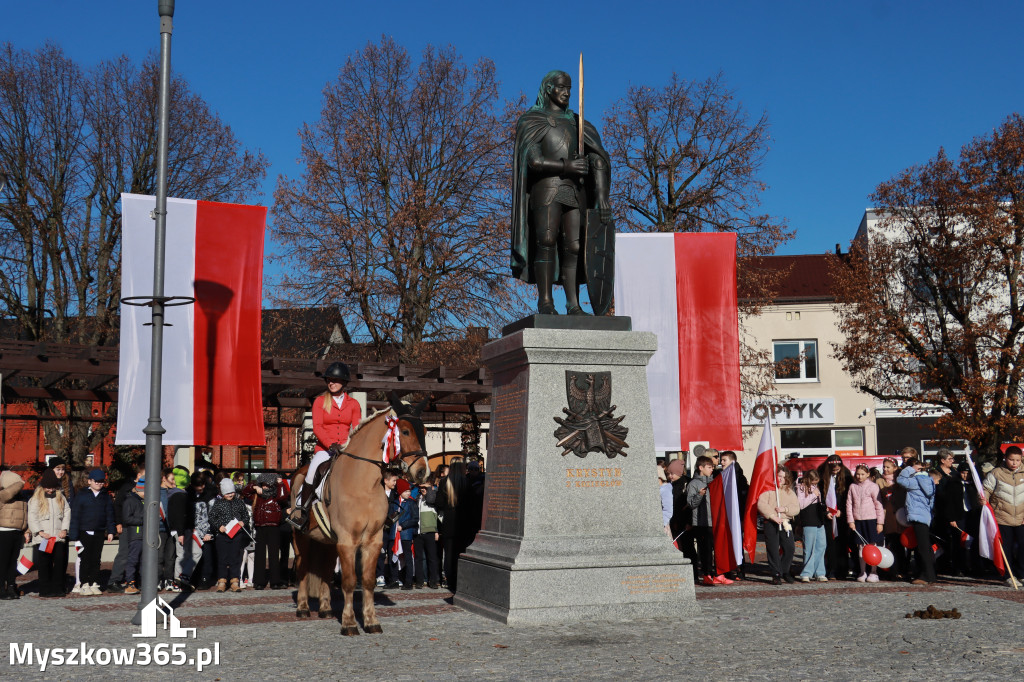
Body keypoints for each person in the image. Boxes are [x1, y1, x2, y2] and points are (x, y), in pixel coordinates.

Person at [511, 70, 613, 315]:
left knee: (574, 247)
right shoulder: (532, 120)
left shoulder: (579, 124)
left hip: (576, 192)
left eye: (569, 87)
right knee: (546, 241)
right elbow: (533, 161)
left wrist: (600, 195)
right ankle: (545, 302)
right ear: (548, 89)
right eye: (561, 87)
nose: (566, 92)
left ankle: (573, 304)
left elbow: (598, 158)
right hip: (546, 189)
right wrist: (566, 166)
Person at [288, 362, 361, 530]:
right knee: (311, 472)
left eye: (335, 380)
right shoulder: (320, 401)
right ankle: (302, 512)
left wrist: (350, 446)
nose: (331, 383)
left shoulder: (354, 404)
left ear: (343, 382)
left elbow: (356, 429)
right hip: (325, 450)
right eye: (329, 380)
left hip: (345, 449)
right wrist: (331, 445)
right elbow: (317, 427)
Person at [68, 469, 115, 595]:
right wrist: (74, 535)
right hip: (84, 532)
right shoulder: (82, 495)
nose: (99, 484)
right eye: (97, 481)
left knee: (96, 558)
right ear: (90, 481)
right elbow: (76, 516)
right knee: (85, 558)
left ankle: (94, 582)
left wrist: (111, 531)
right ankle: (84, 583)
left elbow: (110, 514)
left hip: (99, 532)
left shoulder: (105, 496)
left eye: (102, 482)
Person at [983, 446, 1024, 585]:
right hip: (1002, 517)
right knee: (1006, 548)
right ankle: (1009, 575)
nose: (1014, 463)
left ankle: (1022, 573)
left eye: (1017, 460)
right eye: (1011, 459)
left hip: (1021, 517)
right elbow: (985, 490)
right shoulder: (996, 473)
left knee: (1023, 546)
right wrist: (983, 500)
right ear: (1005, 458)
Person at [28, 469, 71, 597]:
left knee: (59, 562)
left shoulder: (60, 496)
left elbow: (67, 513)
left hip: (58, 536)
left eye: (53, 488)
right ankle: (45, 589)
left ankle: (57, 588)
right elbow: (32, 516)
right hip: (45, 538)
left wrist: (64, 529)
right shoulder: (36, 498)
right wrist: (39, 532)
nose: (50, 490)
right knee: (44, 563)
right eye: (48, 488)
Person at [687, 456, 728, 586]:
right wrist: (699, 495)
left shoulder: (714, 482)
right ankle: (706, 574)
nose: (712, 469)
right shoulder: (693, 484)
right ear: (701, 468)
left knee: (718, 549)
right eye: (709, 467)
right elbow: (691, 504)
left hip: (714, 521)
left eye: (712, 467)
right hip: (701, 523)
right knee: (705, 550)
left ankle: (718, 573)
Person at [243, 472, 288, 590]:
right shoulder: (257, 496)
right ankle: (259, 581)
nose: (264, 487)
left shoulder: (275, 495)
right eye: (263, 485)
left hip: (273, 526)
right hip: (260, 526)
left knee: (274, 555)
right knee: (260, 555)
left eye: (267, 485)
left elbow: (283, 496)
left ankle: (275, 581)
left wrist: (280, 484)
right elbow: (245, 492)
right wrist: (254, 486)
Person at [897, 457, 939, 585]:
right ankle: (930, 574)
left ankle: (926, 575)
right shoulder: (929, 480)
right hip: (925, 516)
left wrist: (910, 468)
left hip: (917, 515)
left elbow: (900, 479)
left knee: (922, 547)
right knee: (925, 546)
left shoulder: (915, 481)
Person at [209, 477, 251, 593]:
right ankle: (222, 581)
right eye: (227, 493)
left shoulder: (239, 502)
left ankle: (234, 581)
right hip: (222, 535)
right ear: (223, 493)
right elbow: (212, 517)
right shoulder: (218, 503)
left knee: (235, 558)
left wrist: (243, 522)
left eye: (232, 492)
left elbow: (245, 516)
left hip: (236, 534)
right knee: (222, 558)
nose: (230, 495)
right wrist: (219, 526)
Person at [758, 466, 799, 584]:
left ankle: (785, 571)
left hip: (785, 522)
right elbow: (762, 504)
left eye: (784, 477)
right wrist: (772, 516)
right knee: (773, 549)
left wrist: (785, 509)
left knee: (790, 548)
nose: (781, 479)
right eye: (779, 476)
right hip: (771, 522)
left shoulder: (789, 492)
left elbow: (796, 508)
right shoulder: (768, 490)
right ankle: (776, 573)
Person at [107, 462, 144, 593]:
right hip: (126, 526)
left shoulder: (147, 489)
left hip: (139, 527)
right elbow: (117, 505)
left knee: (137, 554)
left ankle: (133, 579)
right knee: (124, 553)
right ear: (139, 475)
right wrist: (118, 523)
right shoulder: (127, 487)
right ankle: (114, 580)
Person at [846, 464, 885, 582]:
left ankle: (874, 571)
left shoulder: (873, 486)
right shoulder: (852, 486)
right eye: (857, 474)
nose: (859, 476)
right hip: (858, 521)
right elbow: (849, 504)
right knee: (861, 547)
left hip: (871, 520)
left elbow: (878, 504)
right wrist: (851, 520)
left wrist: (880, 522)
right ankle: (862, 572)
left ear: (868, 474)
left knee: (873, 545)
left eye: (862, 474)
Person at [818, 455, 854, 579]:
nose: (835, 470)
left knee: (842, 542)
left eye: (838, 468)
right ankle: (831, 568)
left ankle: (843, 569)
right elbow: (819, 497)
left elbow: (848, 496)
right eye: (833, 469)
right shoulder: (822, 476)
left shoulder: (847, 476)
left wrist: (842, 511)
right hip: (827, 515)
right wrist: (825, 510)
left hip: (841, 515)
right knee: (830, 543)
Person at [932, 448, 965, 576]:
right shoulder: (935, 473)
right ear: (942, 460)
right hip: (941, 512)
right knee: (943, 540)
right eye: (950, 459)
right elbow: (940, 494)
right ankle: (942, 565)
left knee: (957, 541)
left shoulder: (955, 473)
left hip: (957, 511)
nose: (953, 461)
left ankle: (957, 566)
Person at [877, 457, 909, 580]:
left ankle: (901, 569)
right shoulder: (879, 481)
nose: (885, 469)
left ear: (895, 468)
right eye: (884, 466)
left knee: (899, 545)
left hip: (899, 518)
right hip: (887, 517)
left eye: (888, 467)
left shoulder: (899, 482)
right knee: (889, 544)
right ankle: (891, 570)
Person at [0, 466, 28, 600]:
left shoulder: (21, 498)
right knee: (2, 561)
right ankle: (1, 588)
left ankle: (11, 586)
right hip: (4, 532)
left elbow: (25, 515)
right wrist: (17, 483)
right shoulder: (3, 495)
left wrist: (26, 530)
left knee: (12, 562)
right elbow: (7, 494)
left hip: (17, 532)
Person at [797, 470, 827, 582]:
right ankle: (806, 572)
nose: (815, 485)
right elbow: (801, 505)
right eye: (813, 482)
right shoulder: (800, 488)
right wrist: (812, 496)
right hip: (808, 519)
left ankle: (819, 572)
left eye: (816, 483)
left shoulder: (817, 488)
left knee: (821, 546)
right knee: (809, 547)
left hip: (819, 519)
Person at [121, 475, 146, 595]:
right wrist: (144, 519)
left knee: (142, 560)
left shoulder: (144, 501)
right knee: (133, 559)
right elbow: (127, 519)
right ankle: (130, 582)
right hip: (136, 535)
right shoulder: (130, 501)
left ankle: (139, 582)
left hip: (144, 535)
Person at [414, 477, 441, 589]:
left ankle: (433, 581)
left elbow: (431, 500)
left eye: (426, 487)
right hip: (418, 532)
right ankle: (420, 581)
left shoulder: (433, 496)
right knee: (419, 558)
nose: (423, 489)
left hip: (430, 531)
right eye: (422, 487)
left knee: (432, 558)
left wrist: (429, 488)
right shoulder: (418, 498)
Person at [394, 479, 419, 590]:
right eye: (406, 491)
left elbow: (415, 519)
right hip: (395, 535)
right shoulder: (395, 502)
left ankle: (408, 582)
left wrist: (403, 526)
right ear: (400, 492)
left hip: (406, 534)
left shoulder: (412, 503)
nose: (408, 493)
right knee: (397, 557)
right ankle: (396, 579)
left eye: (409, 491)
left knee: (408, 558)